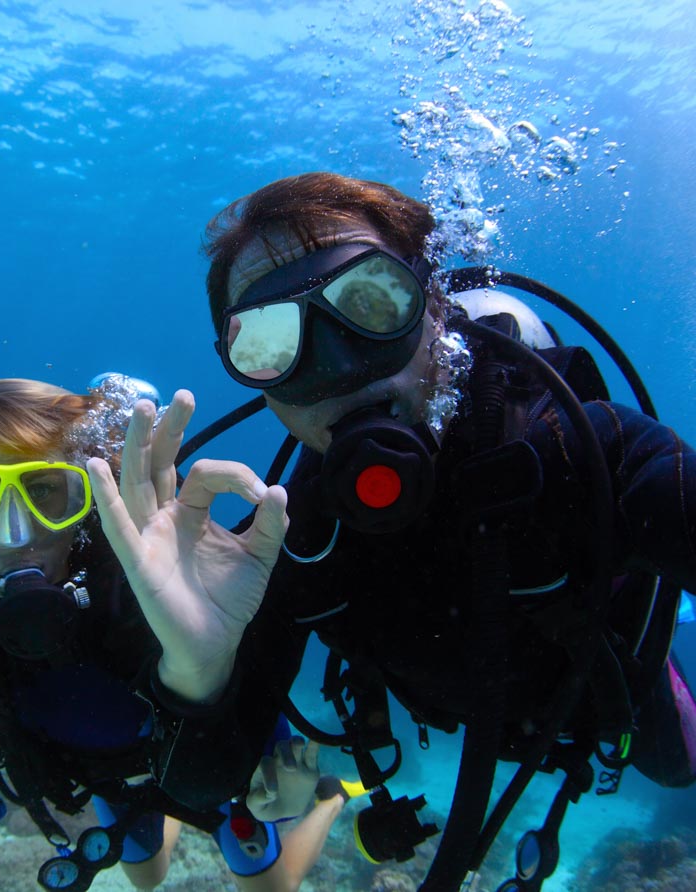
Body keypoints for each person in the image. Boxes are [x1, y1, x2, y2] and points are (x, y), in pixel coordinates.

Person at [88, 173, 696, 891]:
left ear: (433, 305)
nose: (339, 368)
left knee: (678, 763)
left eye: (370, 304)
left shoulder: (576, 452)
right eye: (273, 342)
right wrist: (196, 671)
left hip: (604, 692)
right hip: (473, 709)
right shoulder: (284, 540)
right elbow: (202, 783)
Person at [0, 377, 354, 892]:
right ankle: (164, 818)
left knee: (269, 887)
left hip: (205, 755)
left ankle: (329, 805)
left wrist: (281, 774)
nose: (12, 536)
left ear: (87, 495)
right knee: (147, 878)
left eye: (43, 492)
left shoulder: (147, 569)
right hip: (106, 782)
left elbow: (231, 669)